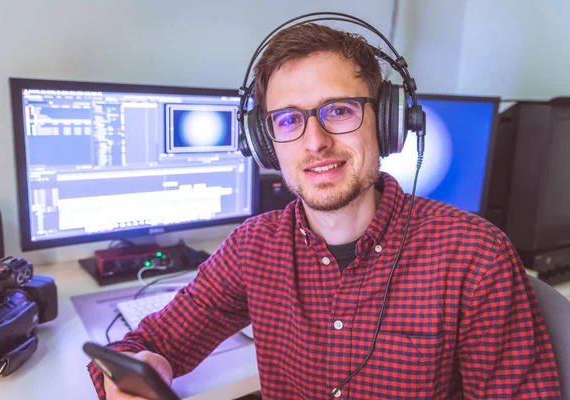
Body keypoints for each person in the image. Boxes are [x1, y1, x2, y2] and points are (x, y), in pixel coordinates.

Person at [88, 22, 561, 399]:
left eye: (339, 110)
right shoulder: (253, 249)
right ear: (266, 142)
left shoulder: (474, 257)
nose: (315, 142)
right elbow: (133, 350)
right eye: (289, 119)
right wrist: (131, 379)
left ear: (388, 122)